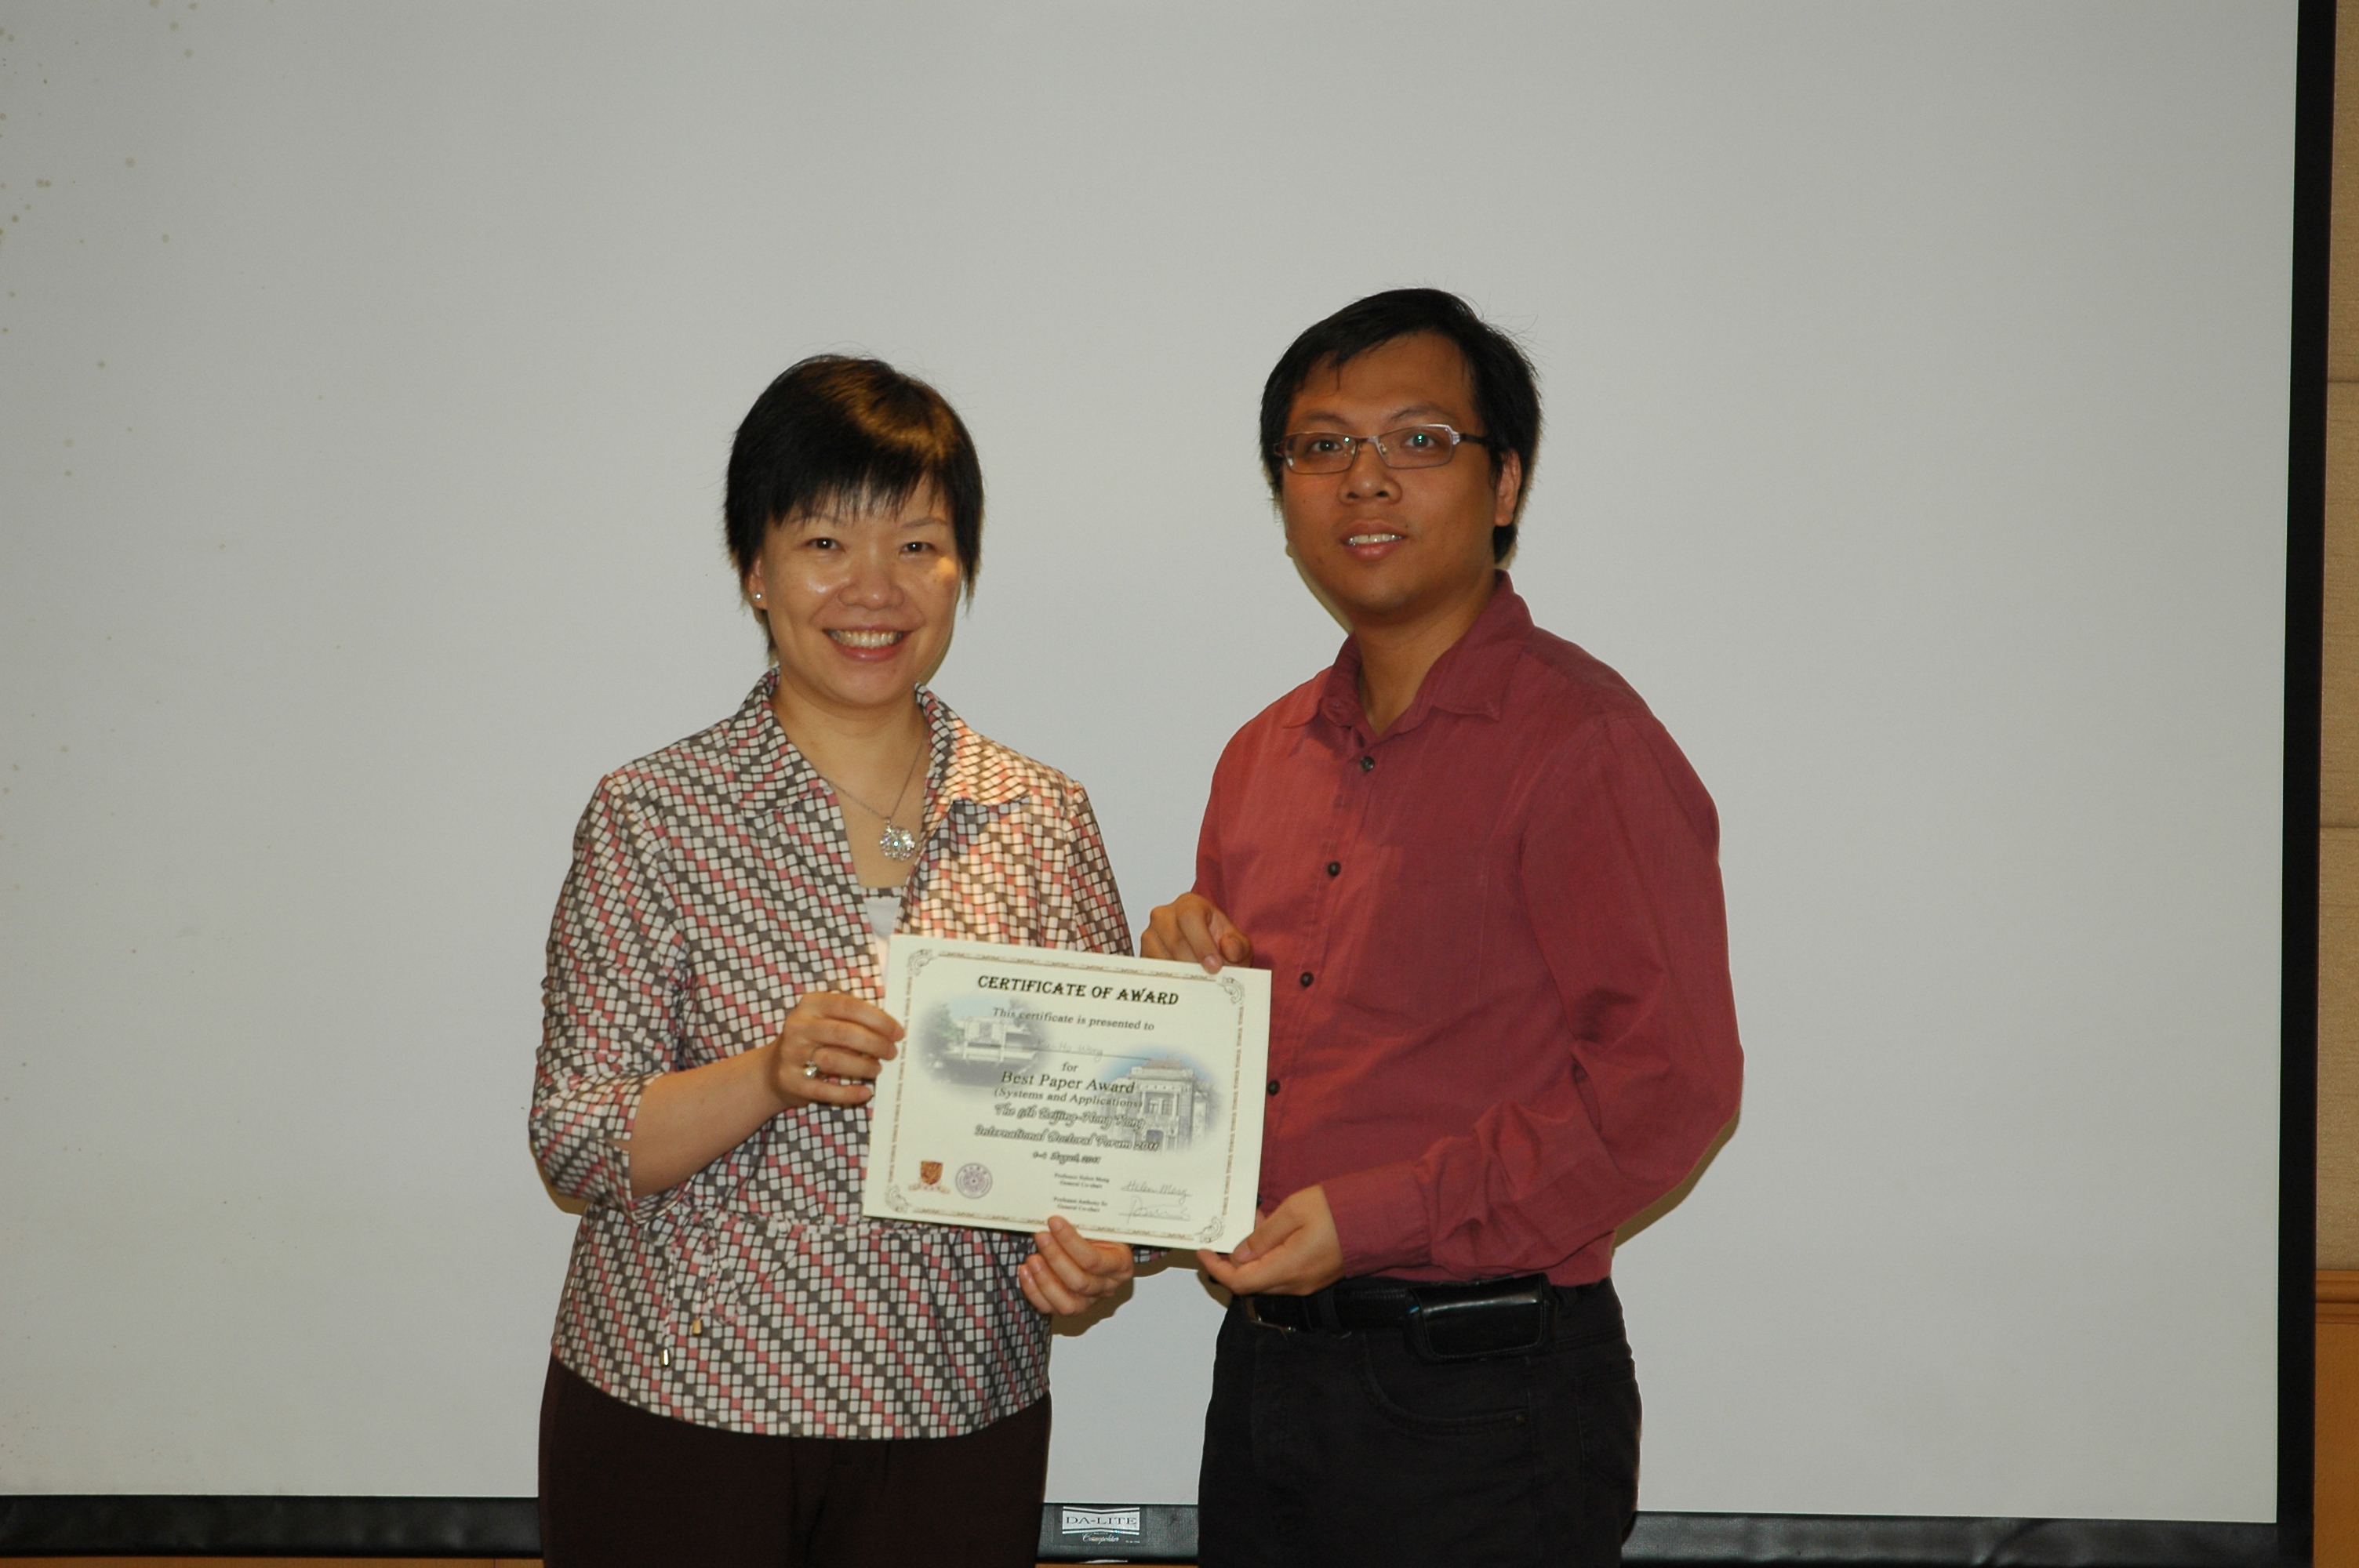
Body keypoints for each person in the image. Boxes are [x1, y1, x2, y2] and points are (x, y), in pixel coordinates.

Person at [1143, 290, 1743, 1567]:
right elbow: (1251, 1097)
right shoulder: (1259, 759)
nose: (1364, 480)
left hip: (1484, 1400)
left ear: (1504, 481)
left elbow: (1668, 1090)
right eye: (1322, 447)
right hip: (1266, 1384)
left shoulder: (1585, 744)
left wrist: (1373, 1217)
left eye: (1418, 441)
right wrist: (1176, 1015)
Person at [530, 355, 1136, 1568]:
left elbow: (1109, 1146)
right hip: (680, 1409)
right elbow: (578, 1140)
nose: (875, 588)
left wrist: (1102, 1250)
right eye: (824, 542)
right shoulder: (655, 815)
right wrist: (767, 1074)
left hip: (956, 1417)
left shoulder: (1042, 817)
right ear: (755, 569)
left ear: (963, 569)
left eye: (918, 545)